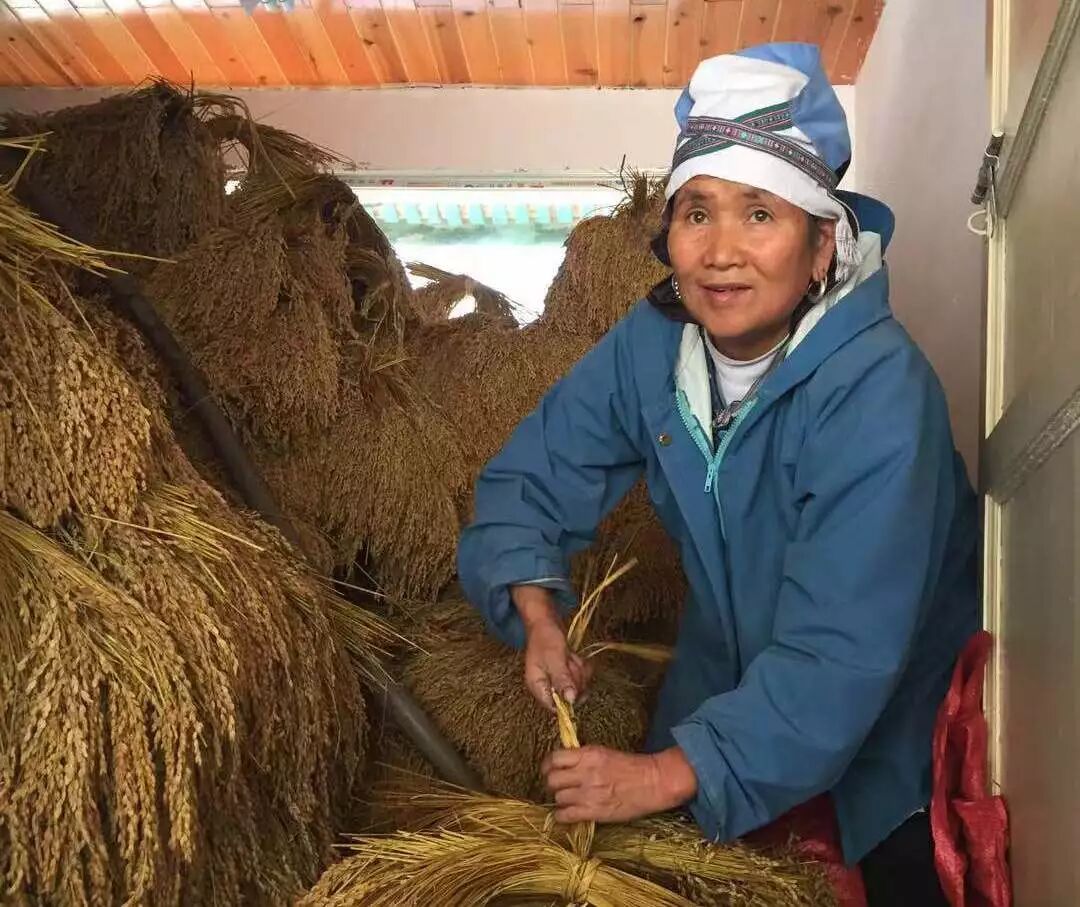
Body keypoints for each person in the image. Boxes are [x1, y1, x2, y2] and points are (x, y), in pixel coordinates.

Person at [458, 42, 978, 907]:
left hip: (886, 709)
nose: (720, 251)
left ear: (821, 245)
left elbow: (841, 653)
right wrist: (537, 614)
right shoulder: (653, 342)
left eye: (759, 214)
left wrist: (665, 772)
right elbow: (534, 474)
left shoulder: (881, 394)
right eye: (697, 211)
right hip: (725, 672)